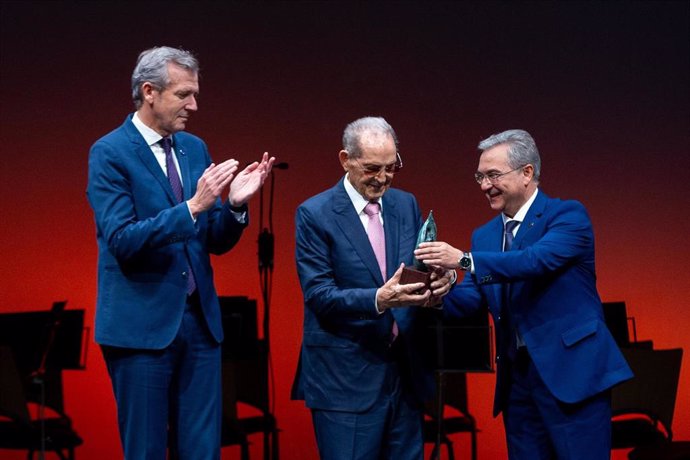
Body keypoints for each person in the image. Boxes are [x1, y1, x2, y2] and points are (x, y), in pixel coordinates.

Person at [86, 46, 274, 459]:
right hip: (141, 331)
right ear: (149, 91)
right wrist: (192, 207)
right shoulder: (110, 153)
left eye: (195, 94)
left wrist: (237, 207)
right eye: (183, 94)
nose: (194, 105)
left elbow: (212, 240)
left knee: (203, 450)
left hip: (199, 327)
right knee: (147, 450)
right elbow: (123, 240)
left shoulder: (194, 148)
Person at [414, 129, 633, 460]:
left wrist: (462, 260)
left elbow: (534, 261)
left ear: (527, 172)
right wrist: (437, 293)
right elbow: (473, 298)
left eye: (493, 175)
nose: (485, 185)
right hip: (518, 382)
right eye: (480, 176)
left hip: (571, 375)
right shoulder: (485, 235)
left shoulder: (567, 215)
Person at [291, 116, 454, 460]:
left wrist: (441, 282)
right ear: (345, 159)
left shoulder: (404, 204)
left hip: (404, 375)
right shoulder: (315, 214)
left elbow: (416, 271)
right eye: (372, 169)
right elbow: (319, 295)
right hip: (345, 380)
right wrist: (379, 300)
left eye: (391, 167)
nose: (382, 178)